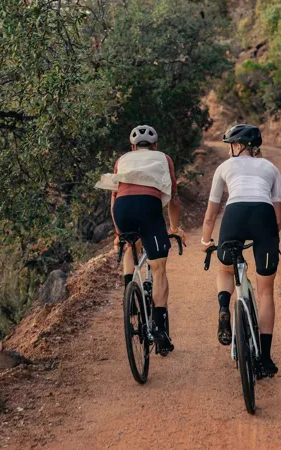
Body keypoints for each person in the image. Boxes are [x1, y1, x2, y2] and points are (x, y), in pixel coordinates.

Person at [200, 124, 281, 375]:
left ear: (238, 146)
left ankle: (224, 308)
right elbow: (278, 219)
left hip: (234, 216)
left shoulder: (224, 168)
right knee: (265, 291)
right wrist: (267, 238)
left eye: (230, 146)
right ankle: (265, 359)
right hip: (264, 217)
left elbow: (210, 215)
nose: (228, 152)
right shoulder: (271, 168)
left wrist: (206, 242)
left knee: (225, 269)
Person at [95, 125, 186, 355]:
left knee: (130, 245)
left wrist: (118, 234)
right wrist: (174, 228)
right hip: (149, 208)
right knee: (158, 269)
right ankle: (159, 329)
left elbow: (114, 200)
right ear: (155, 146)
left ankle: (130, 295)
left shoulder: (122, 160)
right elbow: (174, 200)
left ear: (133, 147)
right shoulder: (164, 158)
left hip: (123, 209)